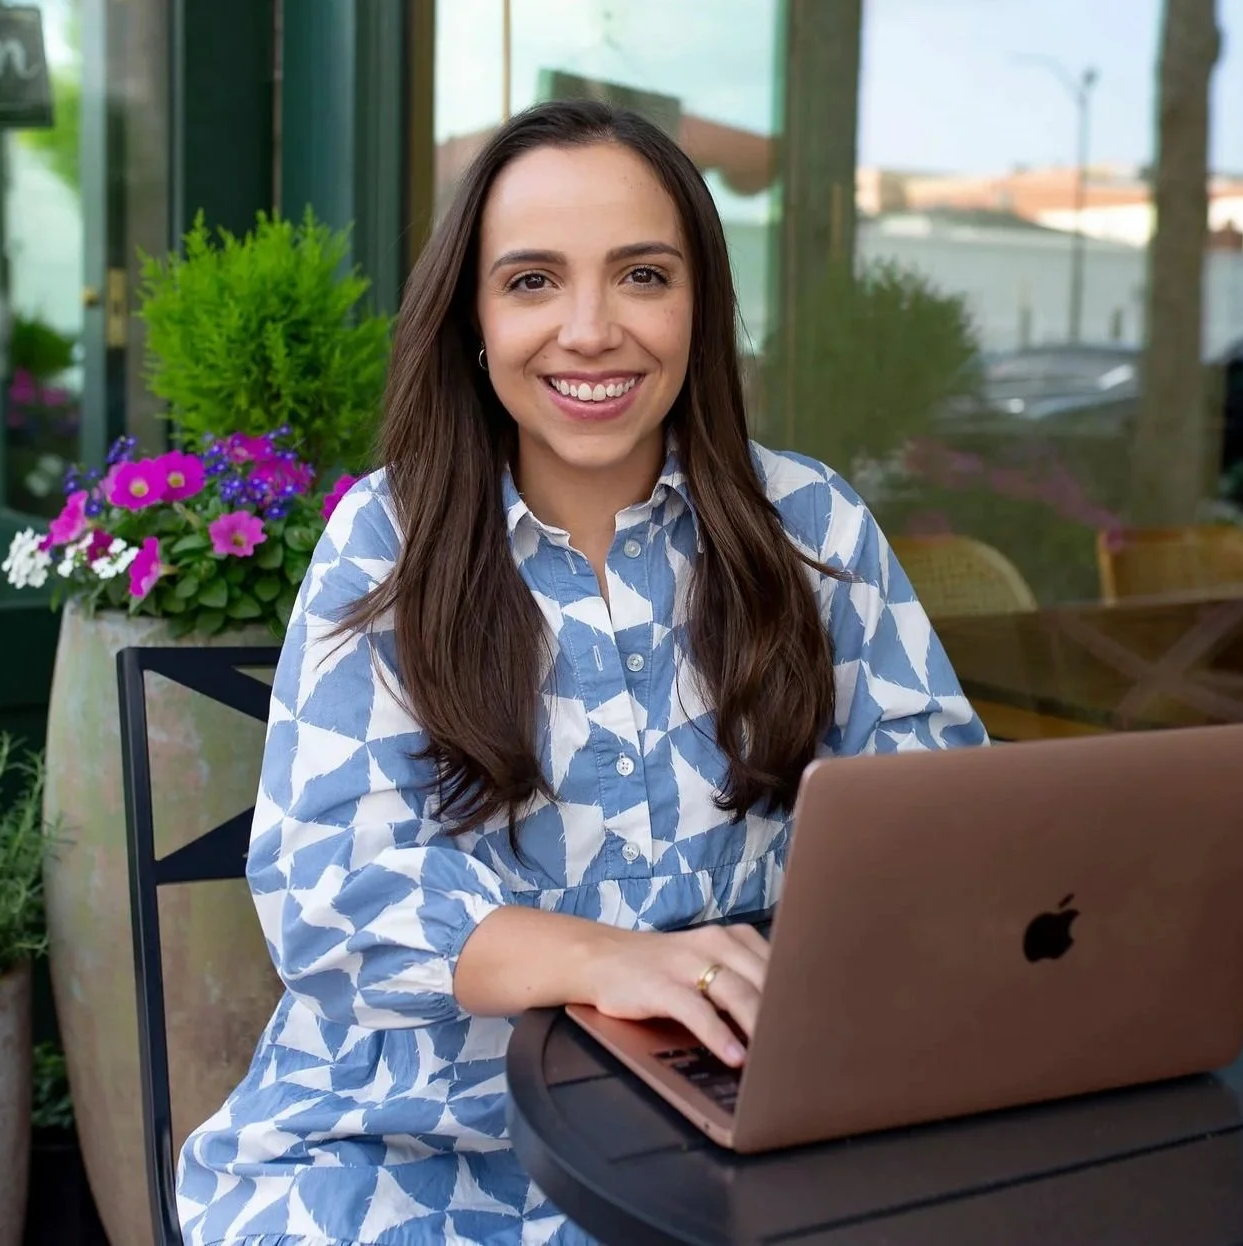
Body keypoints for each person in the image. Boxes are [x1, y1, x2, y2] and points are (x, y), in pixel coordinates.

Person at [175, 98, 988, 1246]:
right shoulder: (388, 540)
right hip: (411, 1139)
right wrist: (615, 959)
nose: (591, 329)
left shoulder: (813, 527)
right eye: (533, 281)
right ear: (472, 317)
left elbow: (943, 815)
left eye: (643, 275)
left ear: (700, 306)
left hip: (729, 1120)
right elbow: (330, 891)